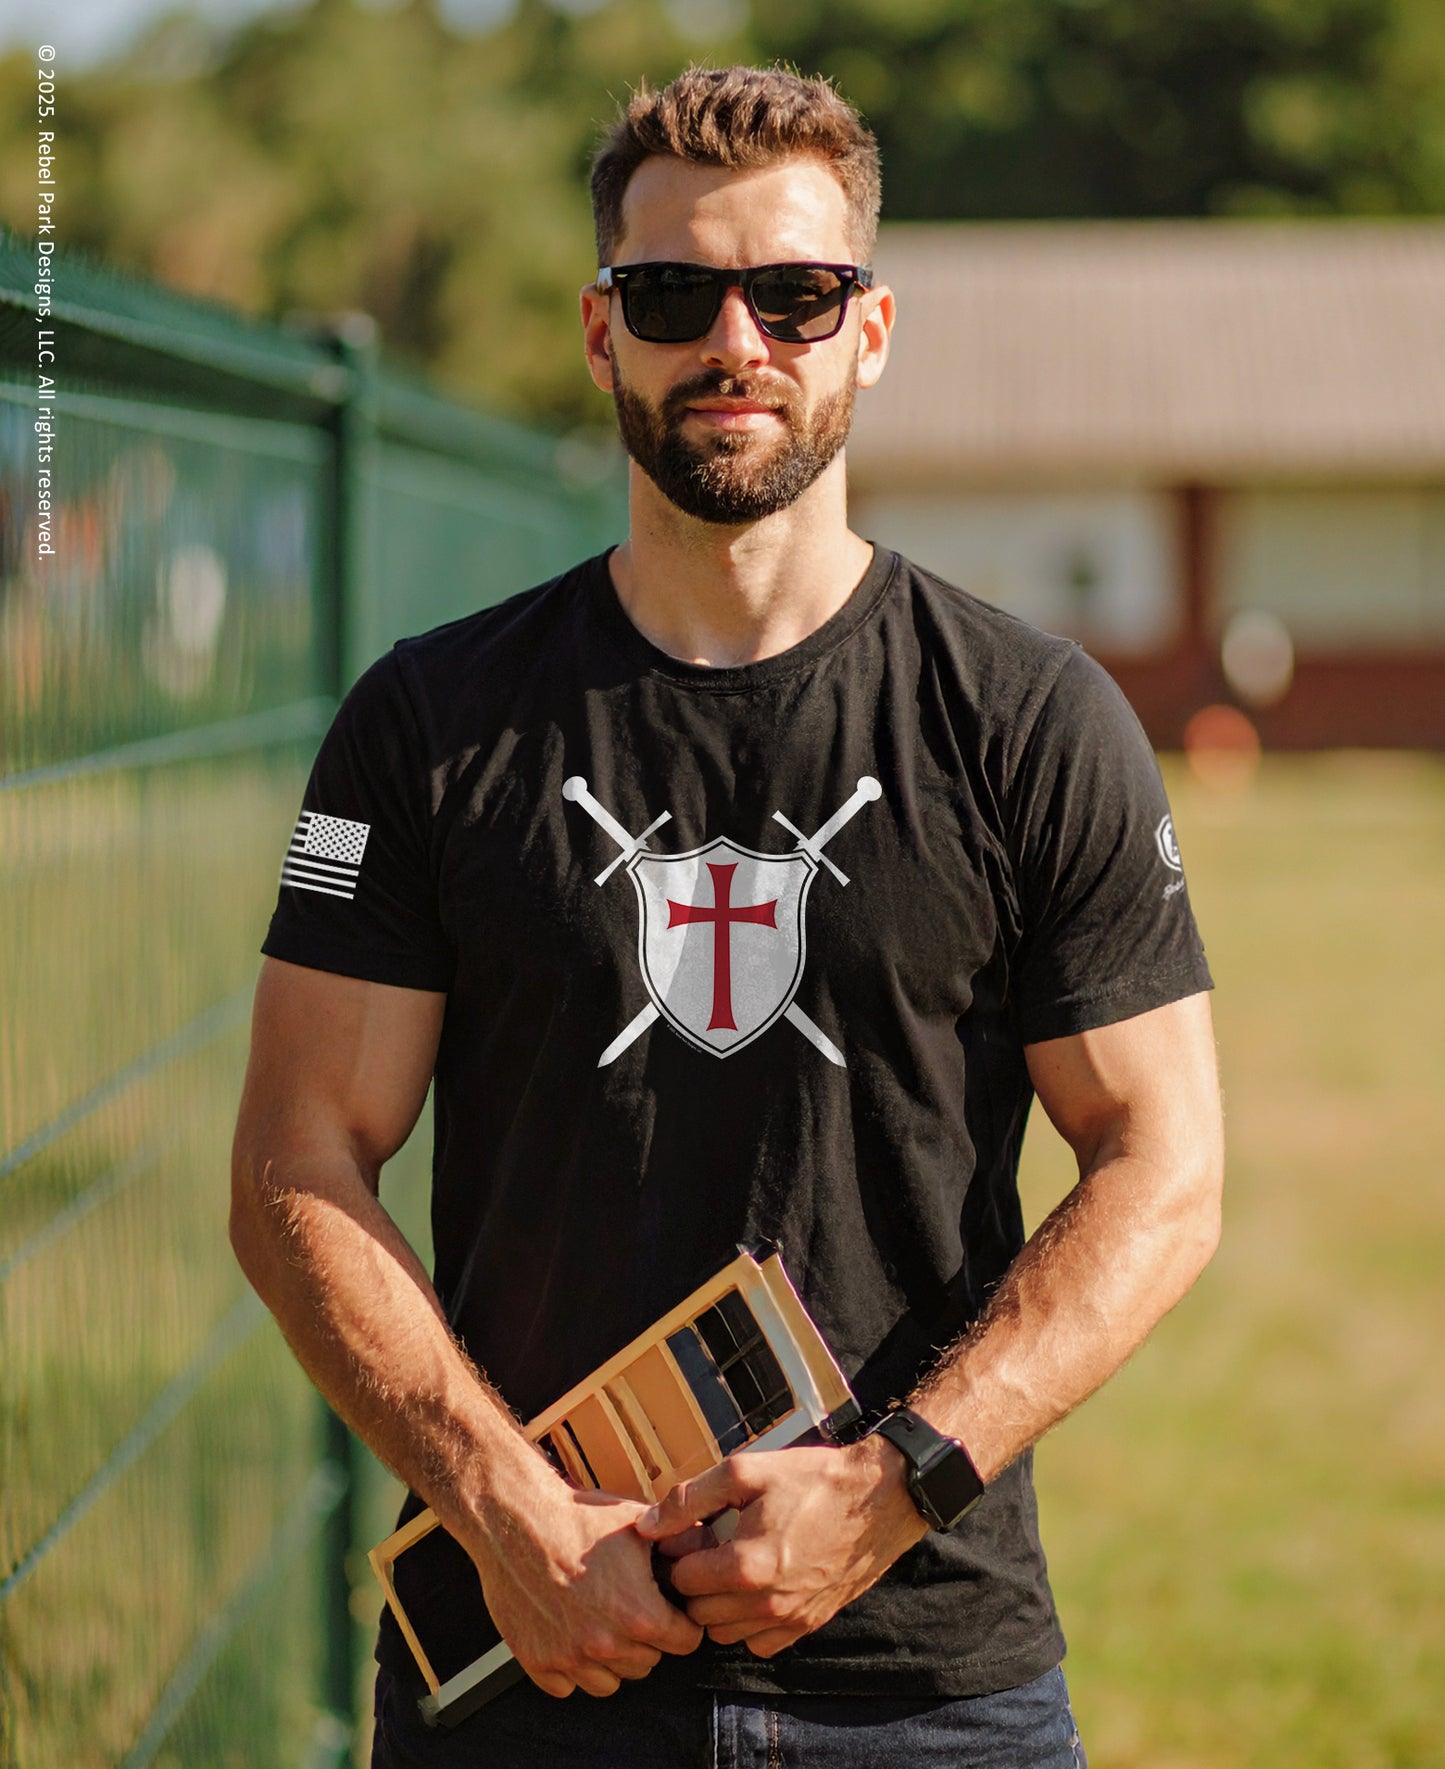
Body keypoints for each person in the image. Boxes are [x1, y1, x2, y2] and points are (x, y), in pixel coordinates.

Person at [231, 64, 1223, 1769]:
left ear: (872, 326)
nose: (737, 342)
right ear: (602, 330)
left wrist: (893, 1481)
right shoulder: (429, 722)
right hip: (540, 1658)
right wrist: (506, 1512)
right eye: (675, 292)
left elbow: (1162, 1159)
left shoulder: (1024, 717)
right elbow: (295, 1162)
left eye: (795, 292)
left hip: (923, 1678)